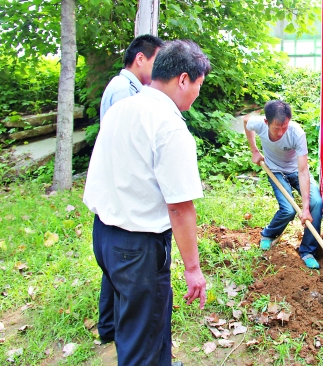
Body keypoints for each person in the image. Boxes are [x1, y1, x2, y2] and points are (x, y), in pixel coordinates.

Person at [84, 39, 211, 365]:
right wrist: (193, 269)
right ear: (183, 79)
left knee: (146, 316)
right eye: (198, 85)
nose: (198, 93)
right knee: (141, 333)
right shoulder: (169, 126)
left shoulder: (121, 109)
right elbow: (180, 207)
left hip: (104, 237)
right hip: (137, 250)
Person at [96, 34, 164, 346]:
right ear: (140, 59)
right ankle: (116, 331)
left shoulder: (122, 87)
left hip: (113, 201)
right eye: (156, 61)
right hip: (124, 199)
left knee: (114, 272)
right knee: (126, 276)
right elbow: (130, 146)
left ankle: (108, 328)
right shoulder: (125, 92)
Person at [244, 100, 323, 269]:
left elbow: (303, 171)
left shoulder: (297, 133)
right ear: (266, 122)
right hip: (275, 170)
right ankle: (269, 234)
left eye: (284, 127)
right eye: (276, 128)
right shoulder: (259, 124)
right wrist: (254, 151)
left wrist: (305, 208)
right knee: (288, 210)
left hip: (296, 170)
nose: (281, 132)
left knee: (316, 202)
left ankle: (308, 251)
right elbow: (246, 121)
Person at [100, 34, 164, 121]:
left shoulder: (126, 85)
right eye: (157, 62)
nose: (159, 69)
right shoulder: (125, 90)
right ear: (140, 59)